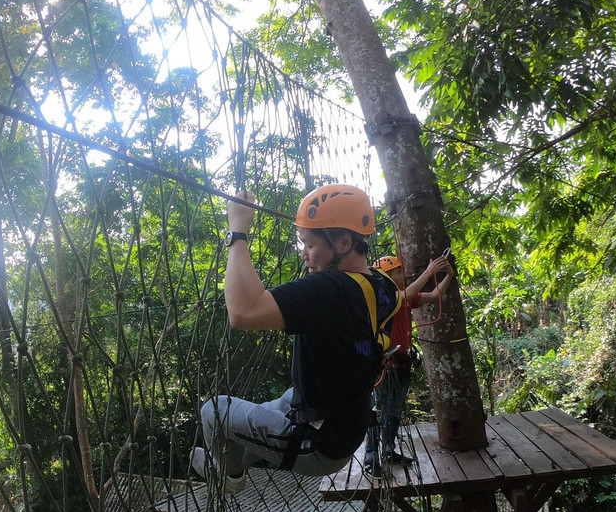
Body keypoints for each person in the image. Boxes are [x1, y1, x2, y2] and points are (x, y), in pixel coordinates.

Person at [192, 184, 401, 493]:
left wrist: (237, 230)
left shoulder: (330, 289)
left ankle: (229, 478)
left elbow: (243, 312)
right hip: (346, 423)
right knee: (280, 401)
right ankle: (236, 452)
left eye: (310, 244)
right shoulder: (382, 284)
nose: (304, 254)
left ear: (344, 242)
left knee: (214, 410)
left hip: (317, 446)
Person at [363, 254, 454, 478]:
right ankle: (370, 458)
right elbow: (406, 295)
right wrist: (430, 271)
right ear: (387, 275)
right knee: (378, 412)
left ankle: (388, 451)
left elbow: (433, 296)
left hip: (401, 363)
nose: (401, 276)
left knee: (393, 412)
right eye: (397, 271)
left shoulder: (405, 296)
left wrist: (448, 276)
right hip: (384, 366)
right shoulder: (384, 297)